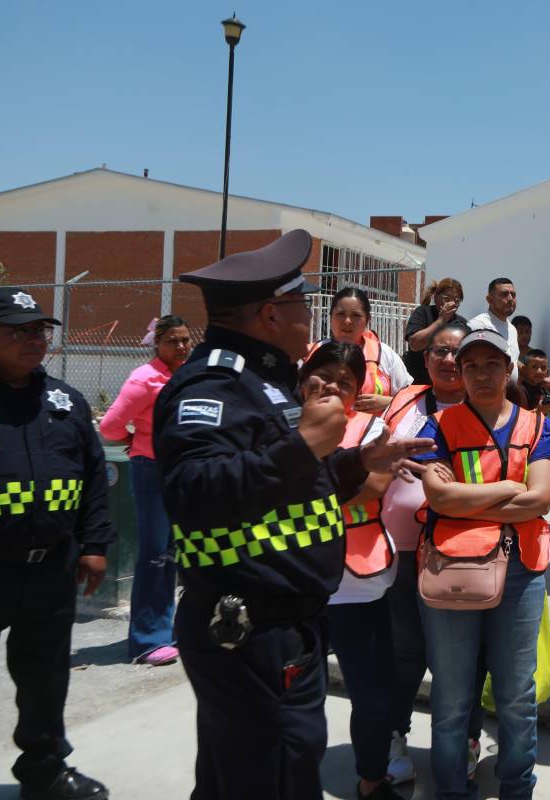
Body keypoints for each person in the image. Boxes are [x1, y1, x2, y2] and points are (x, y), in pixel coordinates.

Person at [153, 230, 433, 800]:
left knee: (250, 771)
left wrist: (358, 462)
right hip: (248, 625)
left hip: (286, 620)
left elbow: (290, 488)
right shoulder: (212, 386)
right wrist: (301, 445)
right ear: (268, 314)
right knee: (271, 773)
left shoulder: (267, 382)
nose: (310, 315)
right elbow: (192, 490)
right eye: (300, 304)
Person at [0, 288, 115, 800]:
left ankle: (45, 769)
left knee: (46, 680)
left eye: (40, 330)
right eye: (19, 331)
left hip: (49, 569)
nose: (34, 340)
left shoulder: (64, 401)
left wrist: (94, 544)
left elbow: (93, 475)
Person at [415, 328, 550, 800]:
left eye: (491, 365)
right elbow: (437, 495)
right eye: (470, 367)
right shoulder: (439, 427)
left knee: (516, 696)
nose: (481, 375)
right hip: (454, 569)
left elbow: (542, 497)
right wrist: (508, 491)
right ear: (459, 373)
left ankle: (517, 789)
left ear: (508, 369)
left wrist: (462, 504)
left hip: (521, 569)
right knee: (450, 696)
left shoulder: (538, 425)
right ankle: (450, 790)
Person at [297, 341, 403, 800]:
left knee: (372, 694)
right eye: (326, 377)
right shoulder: (281, 426)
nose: (336, 388)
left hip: (359, 582)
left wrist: (298, 487)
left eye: (347, 382)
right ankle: (297, 781)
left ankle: (372, 778)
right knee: (300, 697)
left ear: (358, 389)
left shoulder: (374, 427)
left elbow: (374, 486)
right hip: (296, 579)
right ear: (304, 381)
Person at [378, 322, 481, 787]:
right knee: (404, 651)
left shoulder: (487, 406)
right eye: (439, 350)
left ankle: (467, 740)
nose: (445, 360)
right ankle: (394, 736)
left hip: (460, 551)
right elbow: (376, 448)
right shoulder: (405, 399)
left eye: (456, 353)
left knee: (460, 655)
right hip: (400, 547)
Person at [99, 314, 192, 667]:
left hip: (182, 471)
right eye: (173, 341)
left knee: (174, 552)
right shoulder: (145, 379)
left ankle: (171, 629)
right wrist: (135, 441)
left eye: (185, 340)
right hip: (152, 471)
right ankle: (146, 641)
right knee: (155, 555)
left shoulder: (183, 374)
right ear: (157, 343)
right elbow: (109, 426)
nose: (181, 347)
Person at [313, 287, 412, 415]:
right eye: (341, 314)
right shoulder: (312, 352)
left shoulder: (385, 354)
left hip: (373, 433)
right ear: (331, 316)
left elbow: (411, 400)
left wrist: (389, 402)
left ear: (367, 320)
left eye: (356, 315)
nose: (347, 321)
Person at [404, 279, 466, 384]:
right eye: (447, 298)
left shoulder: (461, 323)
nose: (452, 303)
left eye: (457, 300)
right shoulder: (423, 312)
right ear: (436, 296)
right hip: (418, 379)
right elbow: (415, 344)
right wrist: (441, 320)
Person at [466, 278, 520, 381]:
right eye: (504, 294)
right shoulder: (477, 325)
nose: (510, 298)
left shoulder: (512, 329)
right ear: (489, 299)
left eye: (513, 295)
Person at [517, 348, 550, 415]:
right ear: (524, 369)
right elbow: (518, 419)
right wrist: (538, 410)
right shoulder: (519, 391)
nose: (539, 371)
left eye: (543, 368)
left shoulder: (543, 390)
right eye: (534, 367)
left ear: (547, 372)